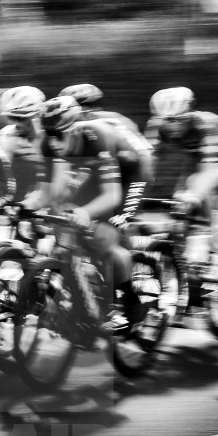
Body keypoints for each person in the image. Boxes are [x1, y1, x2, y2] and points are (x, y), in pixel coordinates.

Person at [21, 95, 147, 328]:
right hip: (93, 172)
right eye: (49, 136)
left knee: (104, 237)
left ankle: (130, 300)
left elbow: (111, 196)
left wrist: (86, 213)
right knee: (66, 225)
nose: (54, 143)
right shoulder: (50, 144)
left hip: (129, 175)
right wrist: (27, 205)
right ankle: (85, 297)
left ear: (74, 129)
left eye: (59, 136)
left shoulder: (96, 139)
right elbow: (50, 193)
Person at [144, 86, 218, 209]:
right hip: (195, 159)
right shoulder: (155, 125)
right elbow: (147, 164)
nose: (172, 126)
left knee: (197, 185)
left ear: (189, 114)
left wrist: (194, 194)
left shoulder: (207, 125)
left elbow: (210, 170)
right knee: (176, 187)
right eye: (167, 120)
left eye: (179, 119)